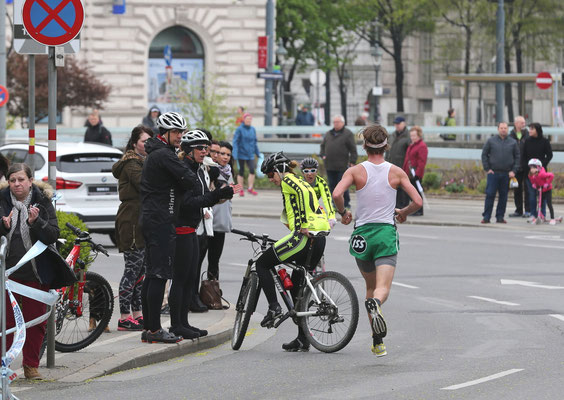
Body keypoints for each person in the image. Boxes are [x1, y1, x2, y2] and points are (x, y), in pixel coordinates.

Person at [332, 125, 422, 357]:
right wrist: (403, 212)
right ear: (386, 146)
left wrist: (343, 213)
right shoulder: (396, 172)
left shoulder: (355, 171)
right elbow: (418, 202)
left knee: (369, 287)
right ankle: (377, 313)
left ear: (365, 146)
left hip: (362, 235)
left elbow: (336, 194)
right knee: (381, 290)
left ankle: (377, 341)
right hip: (384, 233)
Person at [1, 163, 75, 379]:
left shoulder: (42, 201)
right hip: (6, 273)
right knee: (5, 323)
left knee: (36, 321)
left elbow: (52, 234)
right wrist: (3, 226)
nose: (17, 184)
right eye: (13, 180)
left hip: (35, 272)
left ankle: (31, 366)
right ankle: (2, 367)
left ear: (30, 181)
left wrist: (36, 222)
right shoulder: (2, 200)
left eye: (21, 180)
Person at [257, 152, 330, 351]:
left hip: (303, 238)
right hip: (318, 238)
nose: (271, 179)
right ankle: (302, 338)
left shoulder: (289, 180)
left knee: (262, 264)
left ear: (280, 170)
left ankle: (273, 307)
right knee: (298, 287)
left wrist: (302, 225)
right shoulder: (299, 180)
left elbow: (305, 196)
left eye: (271, 174)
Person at [169, 130, 235, 339]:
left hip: (193, 229)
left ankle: (184, 322)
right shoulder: (184, 169)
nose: (205, 151)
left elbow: (204, 196)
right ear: (188, 150)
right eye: (200, 148)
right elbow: (188, 203)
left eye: (206, 147)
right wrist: (216, 196)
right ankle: (176, 324)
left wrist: (221, 193)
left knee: (189, 278)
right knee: (180, 280)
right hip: (181, 230)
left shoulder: (198, 168)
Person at [139, 111, 198, 344]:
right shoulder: (164, 155)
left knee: (152, 275)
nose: (180, 136)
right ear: (164, 133)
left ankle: (150, 328)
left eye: (182, 132)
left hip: (156, 219)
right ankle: (153, 330)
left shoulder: (160, 153)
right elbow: (190, 180)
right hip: (159, 220)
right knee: (158, 275)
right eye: (176, 132)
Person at [112, 125, 153, 331]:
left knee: (141, 272)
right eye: (144, 141)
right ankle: (124, 317)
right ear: (135, 142)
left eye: (150, 141)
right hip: (131, 221)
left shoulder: (143, 161)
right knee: (132, 270)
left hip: (142, 220)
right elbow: (145, 183)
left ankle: (137, 314)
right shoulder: (131, 163)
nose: (147, 144)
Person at [201, 141, 236, 282]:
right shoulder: (209, 169)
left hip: (220, 223)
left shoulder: (229, 171)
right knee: (197, 260)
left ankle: (212, 294)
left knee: (214, 262)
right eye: (222, 153)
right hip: (207, 221)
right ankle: (193, 295)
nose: (225, 157)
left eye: (228, 154)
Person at [480, 122, 520, 224]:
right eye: (501, 128)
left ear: (508, 129)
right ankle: (486, 217)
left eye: (505, 128)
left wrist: (514, 170)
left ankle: (500, 217)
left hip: (507, 174)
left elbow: (517, 158)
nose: (503, 130)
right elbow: (484, 155)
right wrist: (487, 168)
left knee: (503, 196)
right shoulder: (491, 141)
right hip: (493, 173)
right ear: (498, 129)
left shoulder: (513, 142)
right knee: (490, 195)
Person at [320, 115, 357, 210]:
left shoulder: (347, 134)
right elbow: (323, 145)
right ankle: (334, 204)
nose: (335, 124)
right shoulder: (328, 133)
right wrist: (322, 155)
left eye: (338, 122)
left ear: (343, 123)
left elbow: (353, 149)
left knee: (343, 186)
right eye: (334, 122)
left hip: (342, 165)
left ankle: (346, 204)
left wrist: (352, 161)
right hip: (329, 165)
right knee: (332, 185)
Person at [521, 123, 553, 221]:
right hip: (530, 174)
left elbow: (549, 155)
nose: (529, 131)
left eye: (532, 129)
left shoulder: (544, 141)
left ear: (537, 130)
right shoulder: (527, 141)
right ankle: (533, 215)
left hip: (541, 174)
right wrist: (529, 168)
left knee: (542, 196)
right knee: (531, 195)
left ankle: (542, 214)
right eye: (529, 129)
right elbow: (523, 156)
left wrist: (540, 166)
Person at [299, 157, 336, 228]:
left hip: (314, 210)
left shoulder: (321, 183)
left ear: (316, 172)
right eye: (306, 171)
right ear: (302, 173)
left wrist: (332, 217)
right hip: (300, 210)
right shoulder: (299, 182)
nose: (309, 174)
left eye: (312, 170)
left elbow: (327, 200)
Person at [233, 113, 260, 196]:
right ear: (244, 120)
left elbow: (255, 142)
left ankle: (250, 188)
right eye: (247, 119)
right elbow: (235, 142)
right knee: (241, 171)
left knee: (252, 170)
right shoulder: (239, 129)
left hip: (250, 154)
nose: (249, 120)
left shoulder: (253, 129)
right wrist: (235, 153)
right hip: (241, 153)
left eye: (250, 119)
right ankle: (240, 189)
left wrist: (257, 153)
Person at [402, 126, 428, 216]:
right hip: (409, 172)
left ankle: (419, 210)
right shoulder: (411, 145)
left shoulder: (422, 146)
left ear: (419, 135)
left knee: (417, 192)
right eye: (411, 136)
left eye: (414, 136)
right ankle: (415, 209)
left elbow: (422, 162)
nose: (412, 137)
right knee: (411, 193)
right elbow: (407, 159)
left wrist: (418, 174)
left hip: (416, 173)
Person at [386, 116, 410, 208]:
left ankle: (404, 205)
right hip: (392, 165)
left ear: (404, 123)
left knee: (403, 186)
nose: (397, 126)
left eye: (398, 124)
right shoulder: (392, 136)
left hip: (403, 165)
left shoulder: (408, 136)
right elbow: (388, 150)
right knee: (394, 186)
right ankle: (396, 206)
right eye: (395, 124)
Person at [508, 116, 530, 217]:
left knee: (528, 189)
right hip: (515, 167)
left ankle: (528, 210)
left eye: (524, 123)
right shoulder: (511, 136)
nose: (524, 125)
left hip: (526, 167)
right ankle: (518, 210)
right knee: (517, 190)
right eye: (522, 123)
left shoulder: (528, 135)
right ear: (516, 124)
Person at [527, 158, 556, 225]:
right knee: (539, 204)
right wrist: (534, 184)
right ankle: (540, 217)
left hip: (547, 190)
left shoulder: (542, 174)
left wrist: (547, 183)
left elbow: (551, 175)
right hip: (541, 190)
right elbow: (532, 181)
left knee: (549, 204)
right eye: (530, 168)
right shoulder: (530, 175)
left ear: (538, 168)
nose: (531, 169)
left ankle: (552, 218)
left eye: (533, 168)